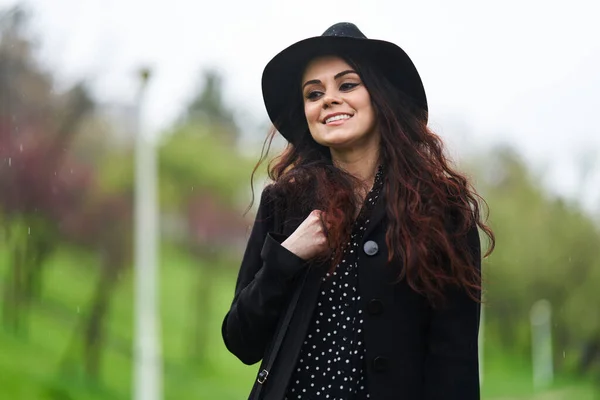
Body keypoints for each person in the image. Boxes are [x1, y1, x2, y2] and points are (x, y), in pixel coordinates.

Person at [221, 22, 495, 400]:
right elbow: (241, 340)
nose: (328, 99)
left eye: (347, 85)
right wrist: (286, 258)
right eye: (313, 93)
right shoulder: (285, 202)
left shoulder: (443, 212)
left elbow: (455, 364)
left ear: (380, 97)